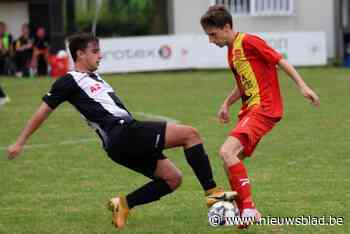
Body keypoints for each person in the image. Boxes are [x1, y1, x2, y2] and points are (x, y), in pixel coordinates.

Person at [7, 32, 234, 230]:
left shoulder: (94, 78)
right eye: (95, 51)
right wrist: (20, 141)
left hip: (119, 143)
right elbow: (42, 112)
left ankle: (122, 205)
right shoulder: (69, 81)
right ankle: (216, 201)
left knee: (172, 179)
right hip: (123, 133)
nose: (100, 55)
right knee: (190, 134)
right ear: (79, 54)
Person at [200, 5, 320, 228]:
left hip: (263, 108)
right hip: (251, 110)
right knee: (230, 161)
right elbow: (243, 83)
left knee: (226, 151)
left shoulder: (249, 41)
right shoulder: (231, 49)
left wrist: (303, 86)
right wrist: (226, 103)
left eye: (212, 35)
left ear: (226, 27)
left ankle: (248, 208)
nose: (211, 40)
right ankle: (245, 210)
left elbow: (279, 60)